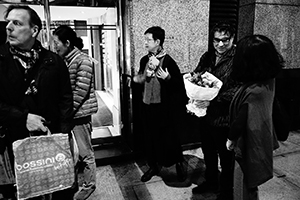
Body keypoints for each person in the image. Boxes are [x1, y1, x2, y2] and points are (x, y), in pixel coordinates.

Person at [0, 4, 74, 200]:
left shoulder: (53, 61)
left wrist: (64, 135)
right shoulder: (1, 59)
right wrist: (23, 118)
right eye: (8, 22)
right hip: (14, 140)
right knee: (26, 191)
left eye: (16, 23)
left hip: (50, 138)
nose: (9, 27)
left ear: (34, 30)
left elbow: (66, 98)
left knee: (58, 186)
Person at [226, 35, 282, 200]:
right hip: (261, 137)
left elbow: (240, 121)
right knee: (251, 183)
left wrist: (230, 139)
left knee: (242, 181)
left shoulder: (254, 91)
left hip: (247, 144)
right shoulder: (269, 80)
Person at [191, 21, 240, 200]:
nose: (220, 44)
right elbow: (197, 75)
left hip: (225, 118)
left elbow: (239, 89)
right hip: (205, 117)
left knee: (226, 158)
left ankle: (227, 192)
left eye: (225, 40)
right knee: (208, 152)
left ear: (232, 39)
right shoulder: (208, 56)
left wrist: (213, 100)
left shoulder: (239, 59)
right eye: (216, 40)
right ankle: (211, 181)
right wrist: (194, 90)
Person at [133, 26, 188, 182]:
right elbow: (138, 79)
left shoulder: (169, 61)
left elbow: (179, 85)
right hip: (147, 106)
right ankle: (153, 165)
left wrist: (168, 78)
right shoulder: (144, 60)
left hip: (164, 108)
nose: (145, 43)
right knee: (149, 138)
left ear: (158, 41)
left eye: (148, 40)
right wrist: (145, 75)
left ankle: (179, 163)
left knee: (170, 138)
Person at [53, 25, 98, 200]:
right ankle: (72, 184)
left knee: (86, 154)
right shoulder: (66, 60)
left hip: (79, 115)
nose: (54, 46)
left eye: (56, 42)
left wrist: (67, 112)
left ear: (67, 42)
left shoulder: (83, 60)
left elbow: (81, 91)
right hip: (70, 114)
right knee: (71, 154)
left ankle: (89, 185)